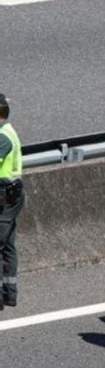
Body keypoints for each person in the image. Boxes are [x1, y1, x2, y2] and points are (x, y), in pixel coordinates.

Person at [0, 93, 21, 311]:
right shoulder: (6, 132)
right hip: (11, 196)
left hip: (5, 197)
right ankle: (9, 294)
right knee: (7, 245)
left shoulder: (3, 137)